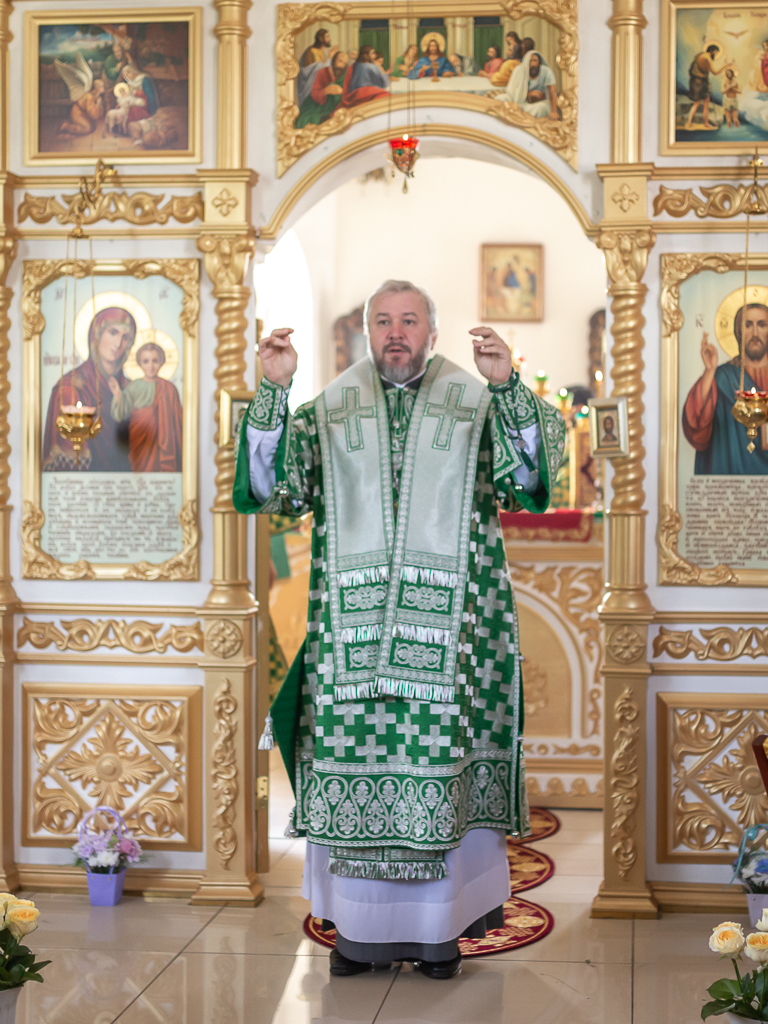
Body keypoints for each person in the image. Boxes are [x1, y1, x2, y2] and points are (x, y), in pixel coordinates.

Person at [234, 279, 565, 979]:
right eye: (383, 320)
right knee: (355, 768)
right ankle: (358, 935)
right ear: (366, 331)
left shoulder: (475, 404)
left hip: (453, 642)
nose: (395, 332)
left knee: (440, 771)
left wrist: (508, 387)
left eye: (409, 320)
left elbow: (531, 481)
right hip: (349, 642)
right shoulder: (330, 410)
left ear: (432, 333)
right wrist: (273, 390)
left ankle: (439, 935)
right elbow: (272, 490)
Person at [42, 307, 136, 472]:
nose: (118, 344)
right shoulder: (70, 387)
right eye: (113, 332)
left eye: (125, 337)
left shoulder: (131, 388)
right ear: (96, 335)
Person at [683, 305, 768, 474]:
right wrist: (710, 371)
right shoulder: (723, 377)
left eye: (762, 325)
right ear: (738, 331)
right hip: (730, 470)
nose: (755, 334)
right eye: (747, 325)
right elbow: (696, 423)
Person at [108, 340, 182, 473]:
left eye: (155, 361)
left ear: (162, 362)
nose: (151, 366)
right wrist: (118, 394)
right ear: (139, 363)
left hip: (163, 441)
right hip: (139, 436)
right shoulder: (134, 386)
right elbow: (121, 413)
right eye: (146, 361)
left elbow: (178, 421)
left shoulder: (169, 388)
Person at [295, 52, 349, 128]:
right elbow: (314, 93)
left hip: (335, 107)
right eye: (340, 61)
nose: (341, 66)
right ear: (334, 61)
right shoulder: (323, 72)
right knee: (306, 119)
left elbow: (348, 92)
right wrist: (325, 91)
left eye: (344, 63)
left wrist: (341, 91)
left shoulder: (345, 75)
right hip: (317, 105)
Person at [684, 44, 727, 131]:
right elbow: (715, 72)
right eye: (716, 53)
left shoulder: (700, 55)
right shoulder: (707, 58)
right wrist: (724, 67)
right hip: (700, 83)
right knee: (698, 103)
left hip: (696, 81)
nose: (716, 55)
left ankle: (703, 123)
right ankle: (690, 123)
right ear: (713, 51)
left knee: (705, 101)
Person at [506, 50, 558, 119]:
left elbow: (552, 92)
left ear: (539, 62)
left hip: (539, 104)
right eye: (530, 61)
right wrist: (529, 94)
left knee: (541, 108)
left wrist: (554, 111)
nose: (532, 64)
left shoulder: (546, 72)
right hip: (522, 103)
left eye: (535, 60)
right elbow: (512, 91)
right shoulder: (519, 71)